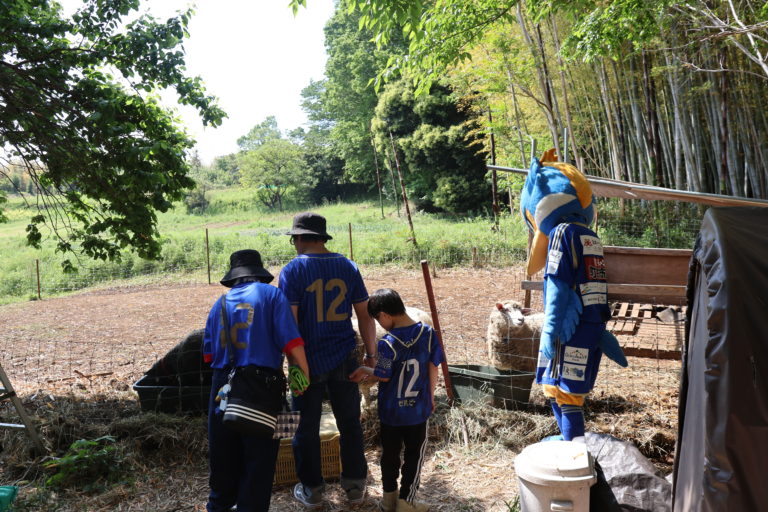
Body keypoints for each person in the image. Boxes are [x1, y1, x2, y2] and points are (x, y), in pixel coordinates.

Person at [520, 150, 627, 441]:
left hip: (568, 327)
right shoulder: (589, 235)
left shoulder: (561, 233)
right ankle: (570, 441)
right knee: (570, 390)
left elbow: (558, 285)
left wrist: (550, 330)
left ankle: (573, 446)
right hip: (592, 325)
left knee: (561, 390)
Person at [278, 212, 377, 509]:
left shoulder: (292, 270)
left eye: (294, 239)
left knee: (303, 426)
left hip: (305, 360)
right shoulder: (347, 266)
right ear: (322, 238)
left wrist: (294, 364)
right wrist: (371, 355)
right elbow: (365, 316)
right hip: (345, 357)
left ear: (299, 238)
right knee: (350, 423)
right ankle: (355, 487)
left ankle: (312, 490)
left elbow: (289, 323)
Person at [202, 249, 310, 512]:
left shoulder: (219, 304)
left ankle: (218, 505)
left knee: (223, 460)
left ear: (234, 276)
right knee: (259, 463)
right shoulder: (272, 295)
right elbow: (292, 343)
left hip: (222, 388)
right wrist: (303, 376)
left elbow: (208, 356)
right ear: (259, 273)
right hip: (261, 387)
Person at [349, 288, 443, 512]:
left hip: (391, 412)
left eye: (377, 320)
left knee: (389, 455)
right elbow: (433, 366)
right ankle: (406, 501)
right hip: (417, 410)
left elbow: (383, 375)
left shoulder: (387, 343)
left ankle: (388, 499)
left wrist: (364, 369)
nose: (380, 324)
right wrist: (430, 396)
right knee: (414, 456)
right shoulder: (428, 334)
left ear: (384, 315)